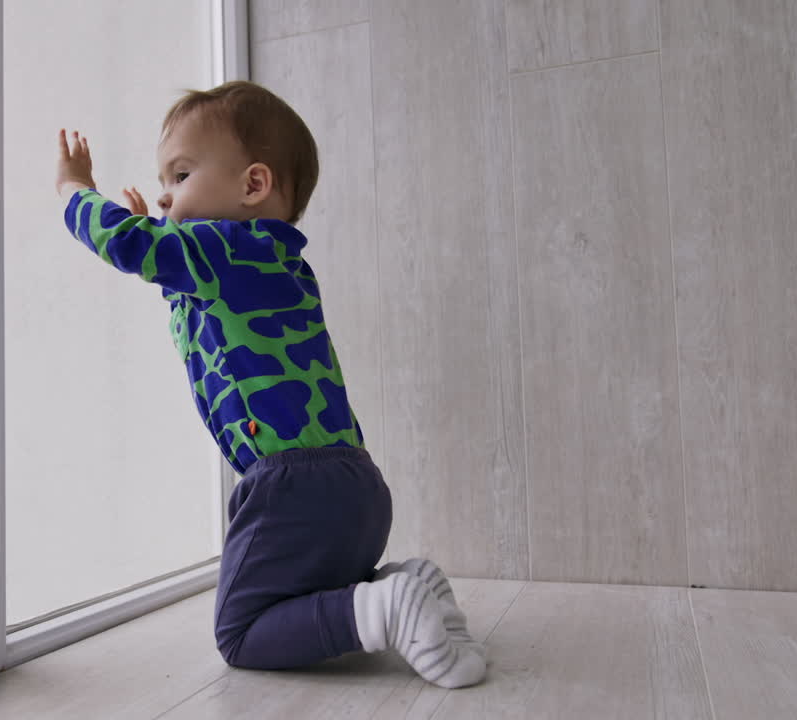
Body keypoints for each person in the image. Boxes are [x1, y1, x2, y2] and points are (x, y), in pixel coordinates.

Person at [53, 81, 486, 688]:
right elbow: (201, 313)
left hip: (291, 489)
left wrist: (75, 191)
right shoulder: (269, 262)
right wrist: (163, 232)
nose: (164, 196)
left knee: (241, 630)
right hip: (357, 488)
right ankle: (406, 586)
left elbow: (133, 248)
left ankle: (383, 609)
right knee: (307, 591)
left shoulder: (228, 250)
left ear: (252, 185)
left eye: (179, 176)